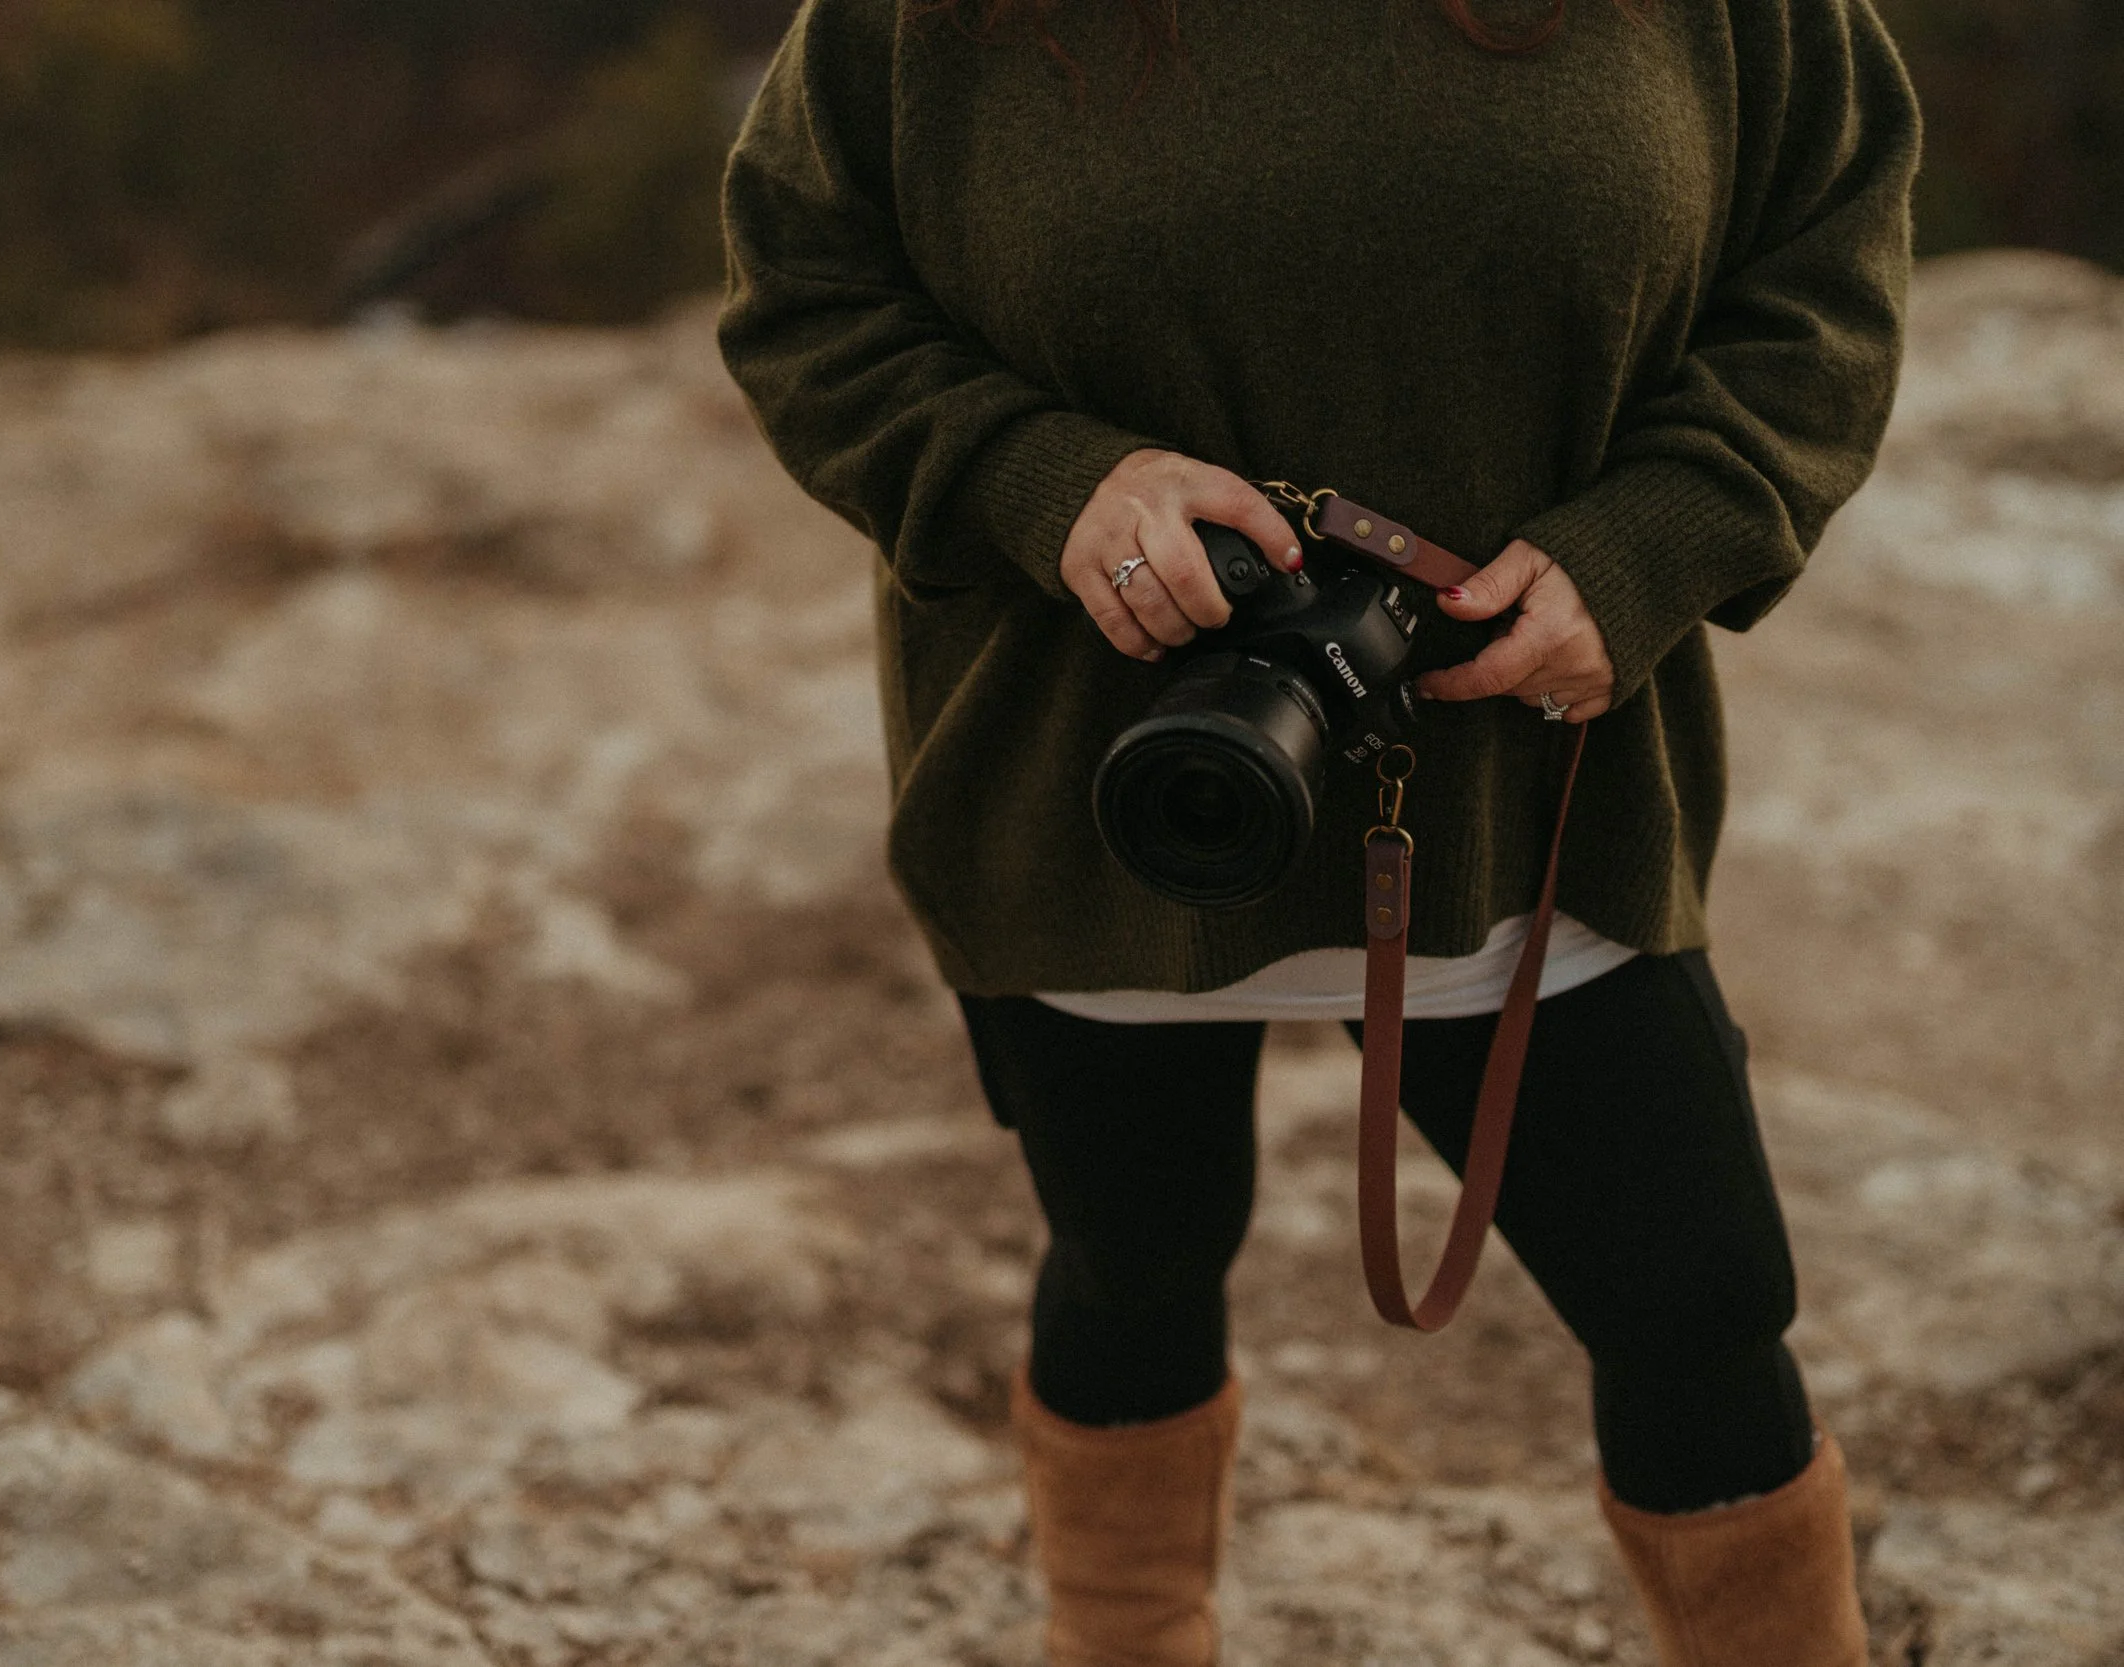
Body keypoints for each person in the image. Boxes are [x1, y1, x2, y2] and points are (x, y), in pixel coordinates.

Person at [716, 0, 1918, 1660]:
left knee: (1697, 1298)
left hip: (1527, 787)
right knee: (1133, 1262)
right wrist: (1044, 480)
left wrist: (1658, 537)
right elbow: (805, 290)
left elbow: (1829, 246)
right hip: (1097, 772)